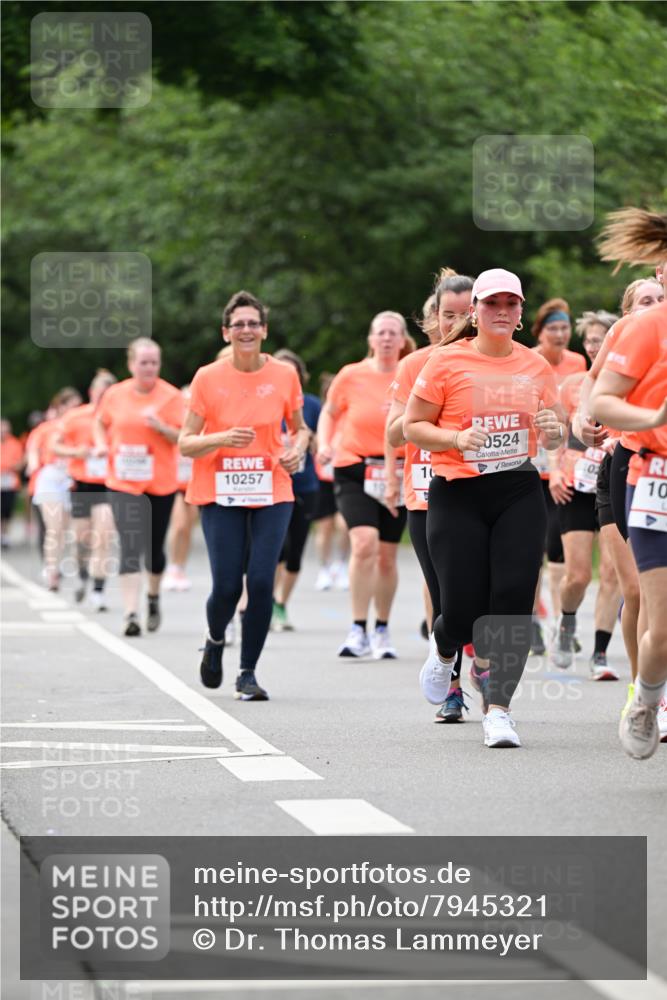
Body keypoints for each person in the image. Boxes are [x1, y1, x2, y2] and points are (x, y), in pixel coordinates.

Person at [404, 269, 563, 748]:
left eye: (510, 305)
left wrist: (555, 430)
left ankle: (499, 710)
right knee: (463, 607)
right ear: (474, 311)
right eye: (491, 304)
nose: (501, 311)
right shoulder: (446, 361)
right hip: (458, 491)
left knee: (513, 602)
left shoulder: (536, 366)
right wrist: (455, 437)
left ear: (519, 314)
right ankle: (445, 645)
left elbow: (555, 430)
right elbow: (413, 426)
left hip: (517, 489)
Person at [179, 290, 309, 701]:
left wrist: (299, 449)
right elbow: (185, 442)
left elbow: (301, 427)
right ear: (226, 332)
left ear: (264, 330)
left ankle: (248, 672)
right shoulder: (207, 377)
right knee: (227, 586)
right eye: (239, 324)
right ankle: (216, 638)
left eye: (254, 323)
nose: (247, 329)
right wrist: (221, 438)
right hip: (219, 491)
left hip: (272, 487)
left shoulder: (285, 375)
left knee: (260, 580)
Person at [573, 270, 665, 713]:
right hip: (632, 462)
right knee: (636, 589)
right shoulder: (632, 331)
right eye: (644, 298)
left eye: (658, 297)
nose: (653, 303)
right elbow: (593, 390)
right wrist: (583, 425)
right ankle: (645, 691)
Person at [386, 269, 474, 721]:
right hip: (426, 492)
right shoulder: (412, 365)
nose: (454, 324)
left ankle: (478, 660)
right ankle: (453, 684)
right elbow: (394, 431)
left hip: (482, 490)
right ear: (432, 319)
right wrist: (431, 417)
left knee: (485, 588)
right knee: (444, 590)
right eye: (446, 315)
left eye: (464, 315)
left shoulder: (493, 362)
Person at [591, 296, 667, 758]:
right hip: (656, 477)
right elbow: (601, 398)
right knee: (661, 628)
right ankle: (646, 698)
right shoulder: (648, 326)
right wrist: (653, 418)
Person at [317, 311, 411, 659]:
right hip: (354, 467)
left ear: (402, 341)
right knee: (363, 543)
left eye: (393, 334)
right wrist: (325, 443)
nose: (386, 339)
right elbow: (329, 411)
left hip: (398, 472)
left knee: (386, 556)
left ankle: (382, 628)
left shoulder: (411, 374)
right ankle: (358, 628)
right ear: (370, 340)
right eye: (380, 333)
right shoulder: (351, 375)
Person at [94, 338, 184, 636]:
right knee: (130, 546)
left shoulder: (171, 397)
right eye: (143, 362)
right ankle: (131, 613)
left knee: (153, 550)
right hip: (123, 481)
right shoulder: (115, 395)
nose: (149, 368)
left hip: (160, 482)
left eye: (154, 362)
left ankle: (153, 597)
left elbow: (184, 439)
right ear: (131, 364)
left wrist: (161, 427)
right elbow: (100, 422)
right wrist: (101, 444)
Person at [548, 315, 622, 677]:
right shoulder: (574, 384)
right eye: (591, 340)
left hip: (612, 483)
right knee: (577, 575)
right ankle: (566, 622)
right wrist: (554, 470)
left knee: (611, 572)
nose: (595, 346)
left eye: (602, 339)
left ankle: (601, 653)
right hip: (575, 487)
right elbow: (553, 433)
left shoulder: (629, 383)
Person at [529, 298, 586, 655]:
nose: (561, 334)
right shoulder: (527, 360)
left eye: (565, 327)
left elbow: (581, 414)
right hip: (530, 466)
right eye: (554, 328)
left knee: (557, 551)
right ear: (540, 331)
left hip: (564, 470)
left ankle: (558, 624)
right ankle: (533, 618)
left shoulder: (579, 364)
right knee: (531, 550)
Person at [52, 370, 117, 609]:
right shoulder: (75, 417)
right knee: (82, 539)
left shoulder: (119, 418)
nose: (104, 399)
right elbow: (54, 446)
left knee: (104, 537)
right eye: (101, 393)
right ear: (92, 393)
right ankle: (82, 576)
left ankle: (98, 591)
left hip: (108, 484)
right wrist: (76, 452)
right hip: (81, 484)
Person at [271, 349, 319, 632]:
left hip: (304, 484)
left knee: (296, 552)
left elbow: (320, 440)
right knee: (278, 548)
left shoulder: (311, 405)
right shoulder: (265, 401)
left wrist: (308, 439)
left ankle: (280, 603)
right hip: (271, 485)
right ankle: (265, 601)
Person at [30, 388, 83, 591]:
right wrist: (34, 463)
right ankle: (51, 570)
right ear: (61, 407)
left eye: (79, 406)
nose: (76, 410)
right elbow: (34, 448)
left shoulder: (81, 427)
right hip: (51, 478)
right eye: (72, 406)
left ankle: (57, 564)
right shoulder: (48, 428)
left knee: (64, 530)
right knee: (54, 528)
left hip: (71, 480)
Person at [312, 372, 349, 592]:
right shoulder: (321, 416)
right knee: (324, 528)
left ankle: (341, 564)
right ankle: (324, 569)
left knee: (344, 525)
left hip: (344, 477)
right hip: (323, 478)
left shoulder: (349, 415)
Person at [163, 385, 200, 593]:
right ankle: (172, 566)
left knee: (188, 526)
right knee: (178, 524)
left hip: (193, 479)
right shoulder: (174, 419)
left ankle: (180, 567)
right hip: (175, 479)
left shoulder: (201, 419)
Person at [0, 419, 24, 549]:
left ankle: (5, 535)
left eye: (5, 430)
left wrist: (11, 466)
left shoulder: (15, 443)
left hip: (10, 482)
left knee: (7, 510)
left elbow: (20, 463)